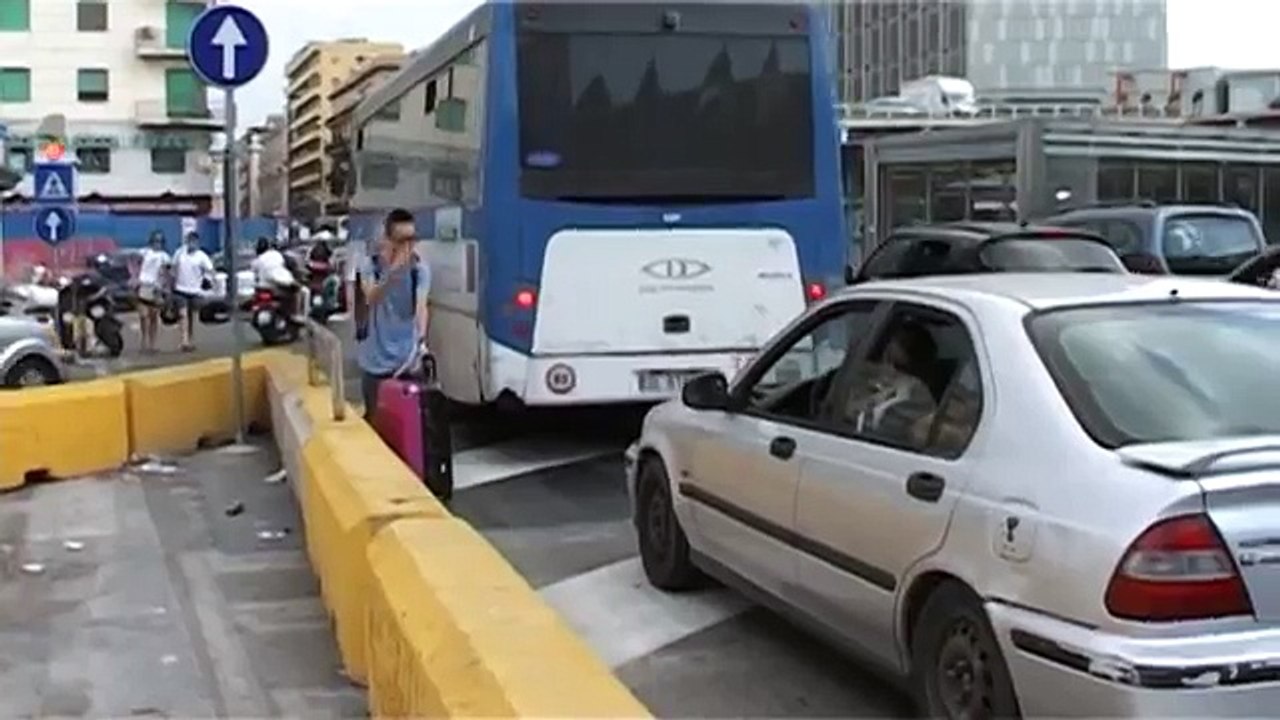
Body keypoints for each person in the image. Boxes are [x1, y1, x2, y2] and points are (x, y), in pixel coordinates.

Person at [354, 208, 431, 419]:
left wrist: (421, 342)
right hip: (375, 362)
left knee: (408, 425)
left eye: (412, 239)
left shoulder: (419, 270)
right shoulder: (370, 265)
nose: (408, 247)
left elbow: (422, 307)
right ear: (387, 239)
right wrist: (393, 272)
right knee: (376, 422)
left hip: (406, 360)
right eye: (401, 240)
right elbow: (371, 296)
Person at [171, 231, 214, 352]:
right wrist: (171, 284)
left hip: (195, 290)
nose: (192, 243)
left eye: (194, 241)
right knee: (183, 315)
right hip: (180, 289)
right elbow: (173, 268)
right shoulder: (179, 253)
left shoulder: (201, 256)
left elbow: (210, 270)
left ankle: (190, 339)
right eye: (190, 240)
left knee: (191, 316)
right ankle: (184, 341)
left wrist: (207, 280)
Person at [136, 231, 171, 354]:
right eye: (156, 241)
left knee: (154, 317)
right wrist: (135, 277)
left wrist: (166, 288)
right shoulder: (144, 252)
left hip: (156, 288)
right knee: (143, 316)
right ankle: (144, 342)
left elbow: (166, 274)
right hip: (144, 286)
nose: (158, 243)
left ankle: (152, 344)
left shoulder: (164, 256)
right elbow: (134, 262)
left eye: (160, 241)